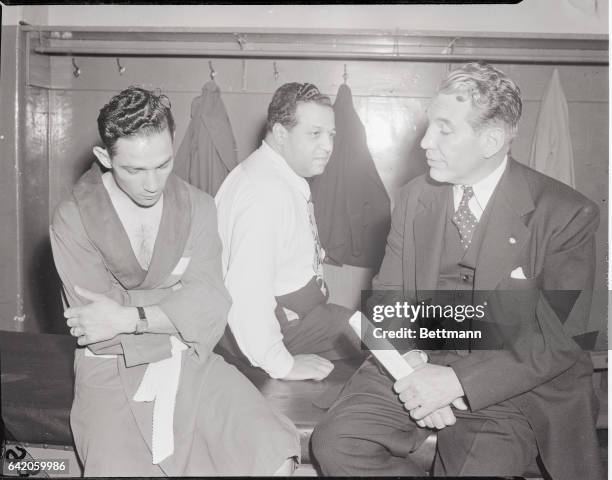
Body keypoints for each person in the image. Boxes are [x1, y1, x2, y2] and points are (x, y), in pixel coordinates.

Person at [311, 62, 604, 479]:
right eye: (430, 125)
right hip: (417, 358)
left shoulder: (566, 213)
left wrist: (454, 383)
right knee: (337, 443)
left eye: (444, 129)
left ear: (491, 140)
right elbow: (390, 298)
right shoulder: (414, 199)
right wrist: (412, 369)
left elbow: (564, 338)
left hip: (511, 380)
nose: (426, 141)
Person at [50, 86, 300, 477]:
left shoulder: (198, 206)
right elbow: (98, 330)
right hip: (111, 371)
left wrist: (130, 316)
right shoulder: (73, 217)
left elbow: (213, 306)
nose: (153, 183)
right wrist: (175, 306)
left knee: (272, 455)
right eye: (134, 169)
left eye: (163, 164)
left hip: (190, 361)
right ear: (104, 157)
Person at [215, 82, 362, 381]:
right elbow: (247, 292)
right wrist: (283, 364)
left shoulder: (277, 174)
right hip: (275, 329)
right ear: (281, 133)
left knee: (382, 334)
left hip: (302, 316)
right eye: (315, 134)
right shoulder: (263, 192)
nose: (328, 146)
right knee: (388, 342)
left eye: (331, 135)